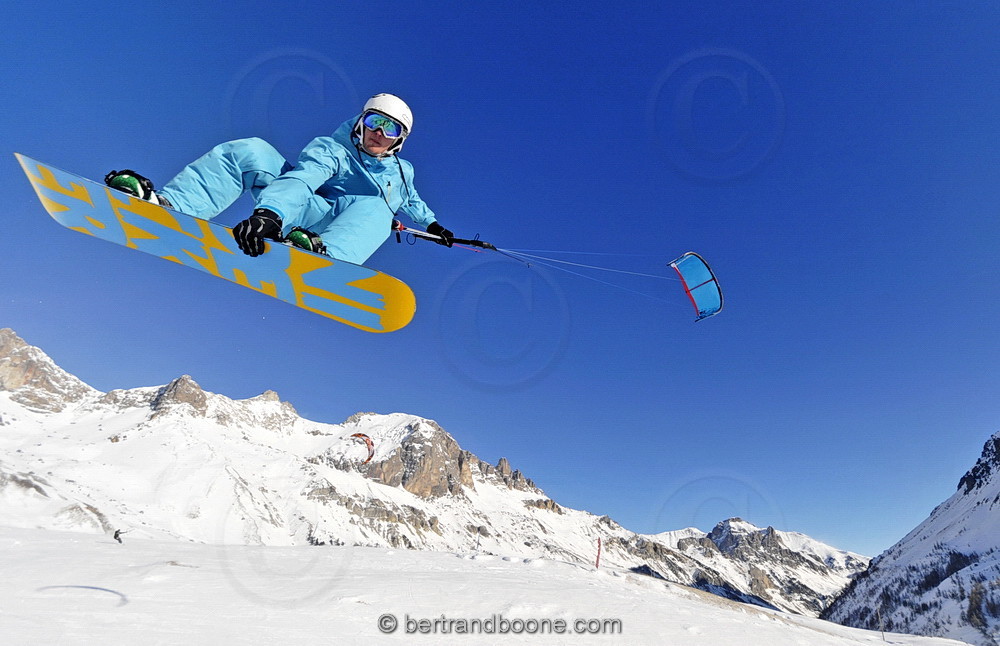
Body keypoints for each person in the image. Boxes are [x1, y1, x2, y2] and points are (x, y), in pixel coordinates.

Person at [104, 93, 455, 265]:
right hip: (296, 208)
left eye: (390, 129)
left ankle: (324, 256)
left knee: (378, 209)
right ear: (360, 122)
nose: (378, 133)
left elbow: (412, 200)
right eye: (374, 122)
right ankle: (170, 205)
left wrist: (433, 225)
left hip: (342, 227)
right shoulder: (332, 149)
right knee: (252, 150)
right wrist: (270, 214)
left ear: (399, 140)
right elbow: (304, 179)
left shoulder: (402, 172)